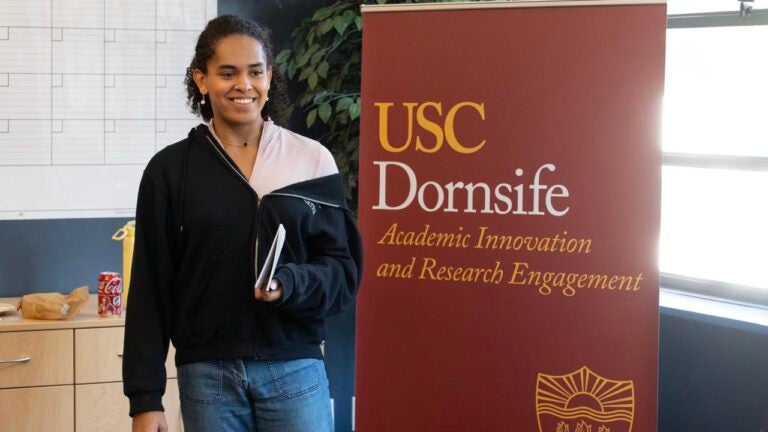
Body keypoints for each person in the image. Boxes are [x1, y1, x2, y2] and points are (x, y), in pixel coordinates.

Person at [122, 15, 363, 432]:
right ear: (201, 80)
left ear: (269, 77)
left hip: (295, 369)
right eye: (227, 73)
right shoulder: (169, 171)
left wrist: (289, 283)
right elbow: (150, 288)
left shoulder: (311, 159)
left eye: (255, 72)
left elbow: (343, 271)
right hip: (207, 377)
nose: (243, 85)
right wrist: (145, 400)